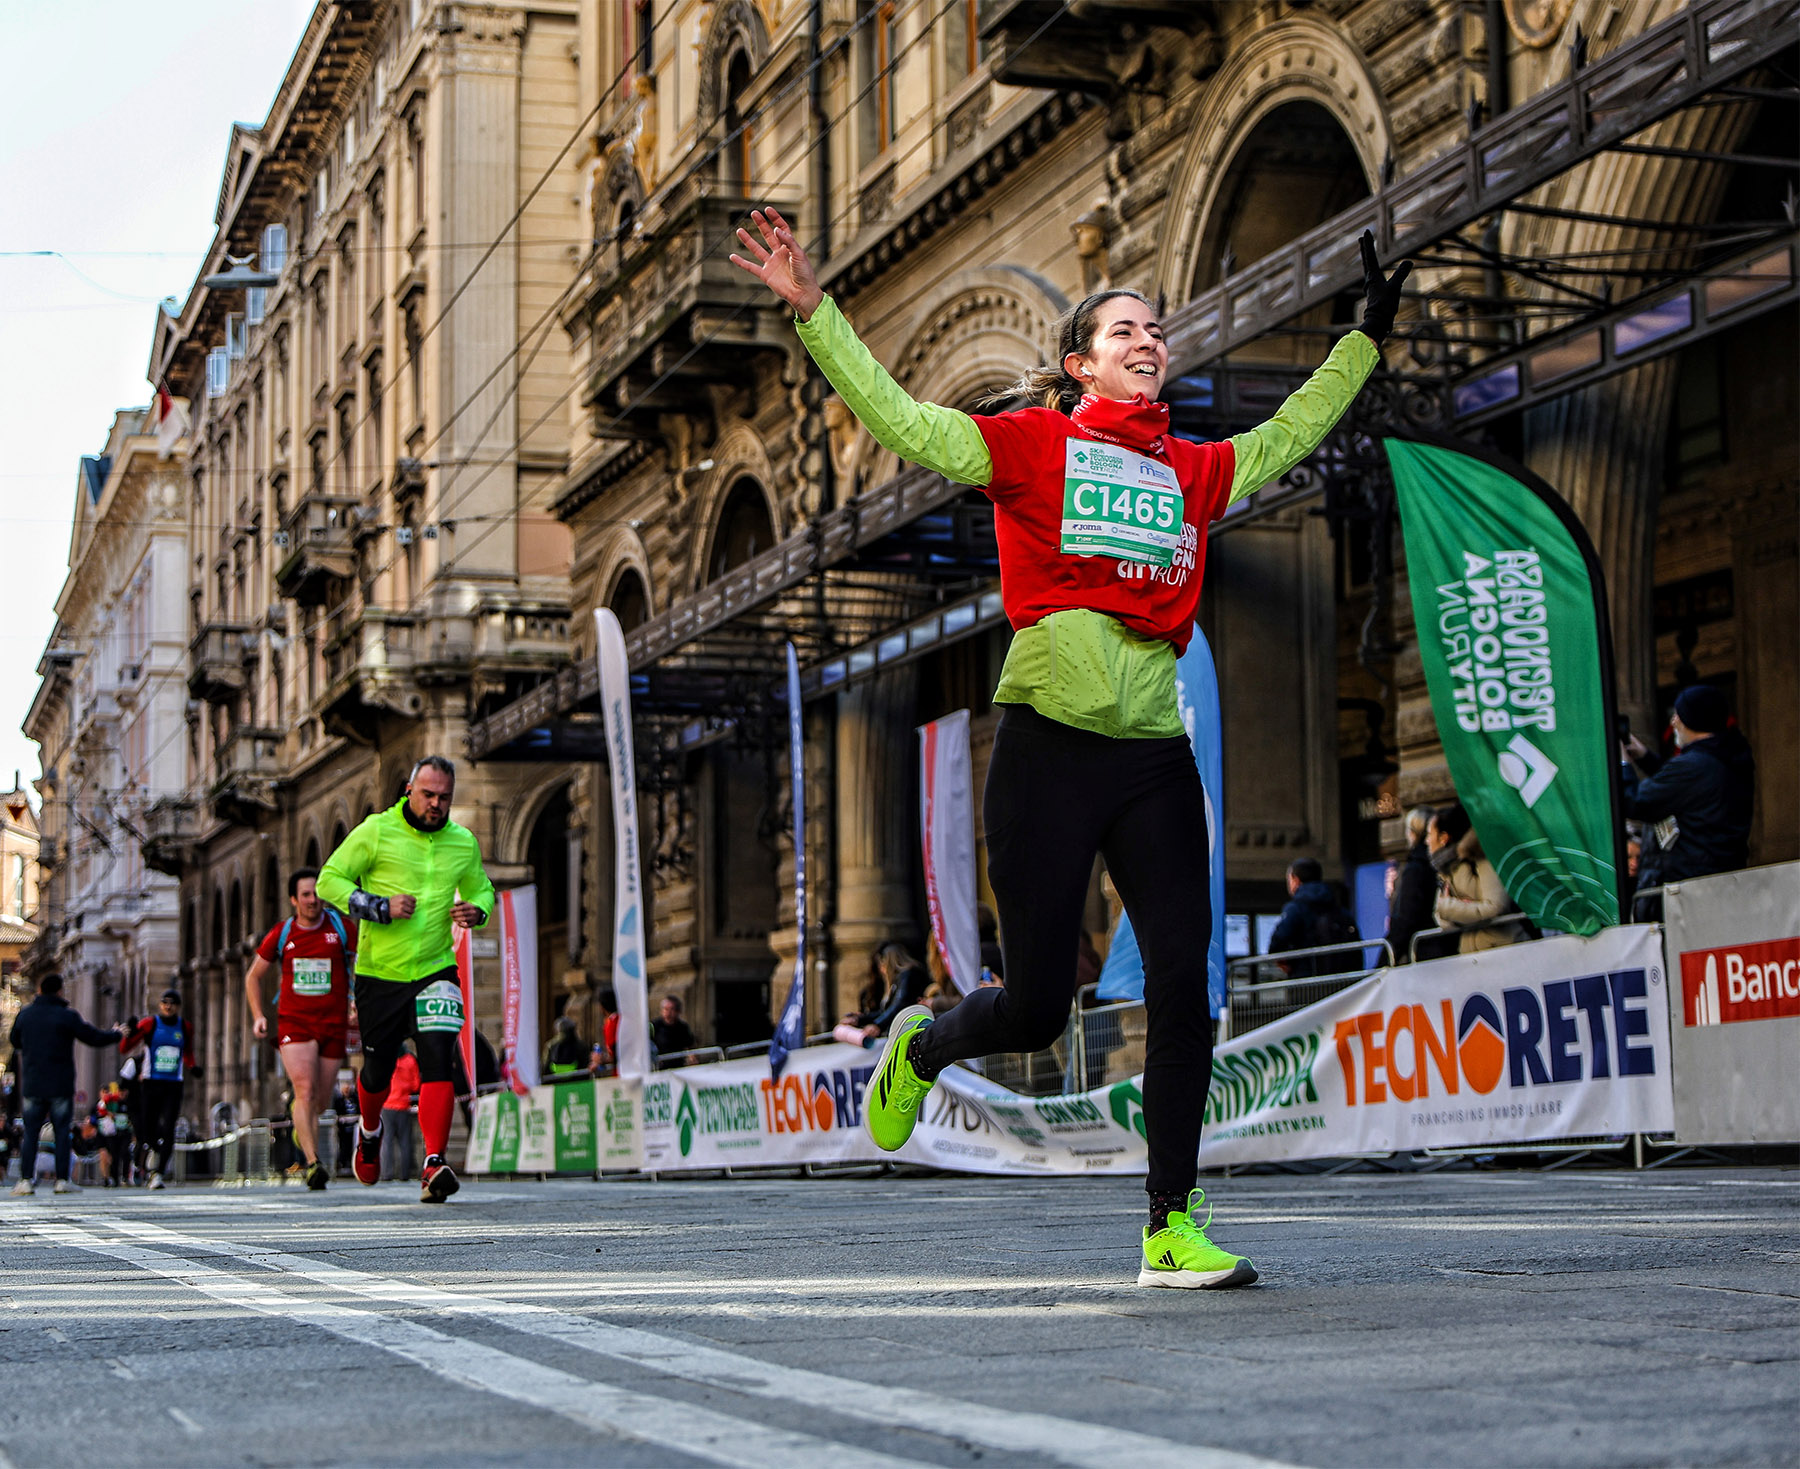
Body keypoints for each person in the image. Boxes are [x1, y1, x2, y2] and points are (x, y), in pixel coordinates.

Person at [731, 207, 1407, 1287]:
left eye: (1157, 329)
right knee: (1042, 1003)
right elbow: (907, 423)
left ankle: (1170, 1221)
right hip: (1047, 743)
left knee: (1188, 985)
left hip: (1153, 758)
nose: (1151, 340)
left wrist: (1361, 342)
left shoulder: (1192, 469)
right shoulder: (1032, 444)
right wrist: (817, 316)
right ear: (1079, 360)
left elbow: (1287, 436)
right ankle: (923, 1043)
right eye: (1126, 329)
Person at [317, 754, 496, 1204]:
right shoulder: (376, 830)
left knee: (440, 1056)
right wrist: (376, 906)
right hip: (380, 973)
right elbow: (328, 881)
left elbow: (480, 887)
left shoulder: (462, 841)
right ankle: (369, 1130)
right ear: (409, 791)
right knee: (377, 1070)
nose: (436, 804)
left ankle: (434, 1162)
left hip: (436, 967)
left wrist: (479, 910)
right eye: (428, 795)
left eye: (444, 798)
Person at [244, 867, 357, 1191]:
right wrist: (258, 1015)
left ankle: (300, 1125)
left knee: (321, 1100)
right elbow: (253, 976)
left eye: (317, 893)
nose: (313, 900)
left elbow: (361, 967)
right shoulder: (283, 933)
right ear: (294, 899)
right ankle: (313, 1162)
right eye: (306, 895)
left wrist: (355, 1003)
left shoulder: (341, 928)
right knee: (304, 1089)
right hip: (295, 1021)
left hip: (333, 1023)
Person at [1621, 685, 1756, 912]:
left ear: (1693, 720)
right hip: (1716, 888)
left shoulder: (1694, 767)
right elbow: (1683, 790)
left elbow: (1635, 802)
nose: (1673, 722)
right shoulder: (1728, 756)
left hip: (1687, 898)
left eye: (1678, 715)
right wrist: (1644, 756)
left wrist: (1622, 763)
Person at [8, 973, 122, 1195]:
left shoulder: (26, 1015)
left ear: (40, 990)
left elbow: (14, 1040)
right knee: (62, 1132)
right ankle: (62, 1179)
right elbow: (93, 1037)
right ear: (60, 991)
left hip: (33, 1083)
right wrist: (116, 1034)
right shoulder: (66, 1016)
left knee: (31, 1133)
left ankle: (25, 1179)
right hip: (60, 1083)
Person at [117, 989, 200, 1190]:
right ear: (160, 1005)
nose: (168, 1006)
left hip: (173, 1083)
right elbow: (125, 1048)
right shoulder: (150, 1024)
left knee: (170, 1125)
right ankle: (154, 1148)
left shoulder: (185, 1027)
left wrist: (192, 1066)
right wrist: (130, 1032)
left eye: (172, 1003)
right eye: (165, 1002)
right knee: (148, 1127)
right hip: (151, 1082)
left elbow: (186, 1051)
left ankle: (159, 1173)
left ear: (178, 1006)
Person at [1429, 804, 1521, 953]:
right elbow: (1440, 918)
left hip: (1505, 950)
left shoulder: (1481, 856)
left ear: (1444, 838)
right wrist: (1461, 909)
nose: (1427, 841)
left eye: (1430, 834)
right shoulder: (1446, 867)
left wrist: (1451, 908)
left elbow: (1494, 907)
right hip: (1472, 955)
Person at [1267, 859, 1360, 978]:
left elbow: (1278, 940)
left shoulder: (1296, 907)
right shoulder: (1337, 906)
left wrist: (1282, 961)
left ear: (1295, 880)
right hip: (1338, 980)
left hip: (1305, 979)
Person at [1386, 807, 1439, 963]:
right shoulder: (1434, 862)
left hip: (1423, 951)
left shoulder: (1416, 867)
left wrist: (1387, 957)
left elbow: (1406, 916)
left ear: (1413, 833)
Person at [382, 1042, 420, 1182]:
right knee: (405, 1142)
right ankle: (404, 1174)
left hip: (387, 1104)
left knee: (387, 1141)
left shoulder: (386, 1057)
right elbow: (416, 1084)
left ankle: (387, 1173)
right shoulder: (410, 1060)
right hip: (403, 1104)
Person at [649, 994, 696, 1061]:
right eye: (666, 1009)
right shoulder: (655, 1025)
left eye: (671, 1009)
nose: (668, 1012)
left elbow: (690, 1045)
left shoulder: (683, 1027)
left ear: (678, 1011)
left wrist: (692, 1057)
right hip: (660, 1066)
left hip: (678, 1064)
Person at [543, 1013, 587, 1077]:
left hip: (555, 1082)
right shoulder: (581, 1046)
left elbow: (545, 1067)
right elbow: (585, 1067)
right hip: (576, 1082)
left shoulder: (550, 1045)